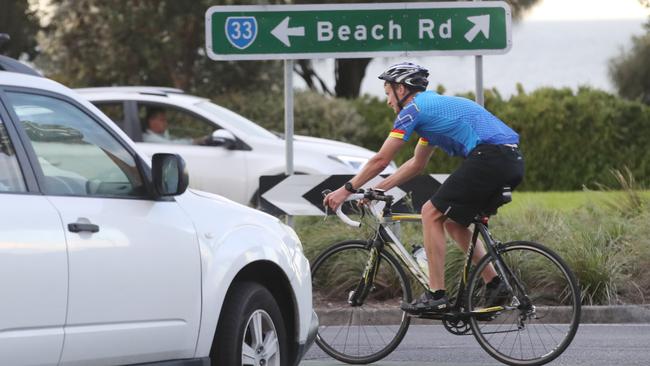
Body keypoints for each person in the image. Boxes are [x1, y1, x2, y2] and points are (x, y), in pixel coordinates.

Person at [323, 62, 524, 314]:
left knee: (430, 212)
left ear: (401, 88)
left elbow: (381, 159)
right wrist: (380, 188)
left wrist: (346, 190)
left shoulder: (413, 110)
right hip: (510, 161)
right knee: (452, 222)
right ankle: (495, 284)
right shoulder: (431, 111)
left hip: (490, 157)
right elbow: (417, 163)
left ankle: (436, 294)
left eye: (387, 93)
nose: (387, 102)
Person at [142, 107, 208, 145]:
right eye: (162, 120)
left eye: (166, 120)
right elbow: (172, 145)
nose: (166, 123)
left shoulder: (161, 134)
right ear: (151, 121)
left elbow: (173, 138)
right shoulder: (149, 139)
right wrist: (194, 141)